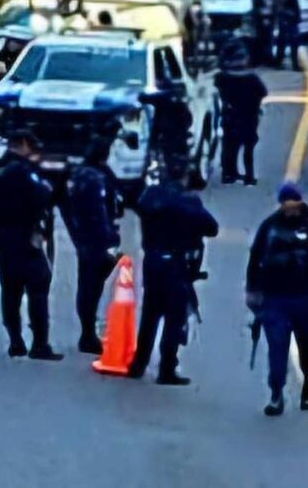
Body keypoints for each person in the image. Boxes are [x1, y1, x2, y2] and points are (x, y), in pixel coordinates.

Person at [246, 183, 308, 416]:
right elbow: (255, 258)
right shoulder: (269, 227)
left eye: (294, 205)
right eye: (286, 205)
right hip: (274, 299)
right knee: (277, 348)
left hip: (306, 299)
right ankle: (276, 393)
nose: (290, 210)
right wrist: (252, 291)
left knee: (306, 346)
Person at [128, 157, 219, 385]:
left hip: (153, 260)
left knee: (150, 315)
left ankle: (138, 363)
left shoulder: (150, 196)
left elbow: (137, 205)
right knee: (173, 317)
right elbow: (211, 228)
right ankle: (166, 368)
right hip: (176, 264)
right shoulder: (188, 202)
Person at [0, 130, 63, 361]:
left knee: (10, 290)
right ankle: (40, 344)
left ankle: (16, 341)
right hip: (26, 236)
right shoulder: (24, 171)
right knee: (38, 286)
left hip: (2, 237)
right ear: (25, 144)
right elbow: (44, 194)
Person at [65, 136, 123, 354]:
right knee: (91, 286)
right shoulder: (94, 178)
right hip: (95, 240)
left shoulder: (81, 174)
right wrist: (109, 240)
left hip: (84, 237)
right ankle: (87, 333)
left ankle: (87, 331)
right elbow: (98, 212)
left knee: (89, 285)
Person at [215, 41, 268, 186]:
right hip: (248, 116)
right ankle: (248, 175)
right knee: (247, 147)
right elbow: (263, 92)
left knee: (229, 145)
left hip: (231, 115)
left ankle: (228, 173)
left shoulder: (222, 78)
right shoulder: (251, 79)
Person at [273, 0, 302, 71]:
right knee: (288, 44)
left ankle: (281, 63)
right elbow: (283, 10)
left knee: (285, 44)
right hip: (288, 23)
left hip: (288, 23)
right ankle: (290, 64)